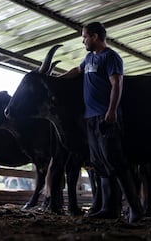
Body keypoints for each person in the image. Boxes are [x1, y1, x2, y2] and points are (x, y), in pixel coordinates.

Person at [62, 22, 143, 223]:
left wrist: (112, 110)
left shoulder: (111, 56)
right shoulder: (89, 58)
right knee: (99, 164)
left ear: (95, 36)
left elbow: (117, 83)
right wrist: (57, 79)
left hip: (106, 116)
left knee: (115, 161)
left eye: (85, 37)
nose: (83, 41)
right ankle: (109, 208)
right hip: (90, 117)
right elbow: (77, 70)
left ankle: (135, 209)